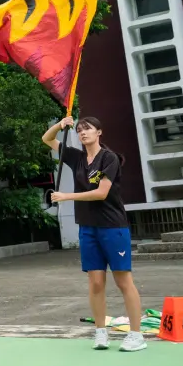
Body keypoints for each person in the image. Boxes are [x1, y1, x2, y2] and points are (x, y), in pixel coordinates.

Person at [44, 115, 145, 352]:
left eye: (88, 129)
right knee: (96, 282)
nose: (82, 132)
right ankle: (101, 332)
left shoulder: (109, 159)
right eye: (79, 129)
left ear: (99, 132)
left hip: (113, 227)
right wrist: (60, 126)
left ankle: (136, 335)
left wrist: (67, 196)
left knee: (123, 281)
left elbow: (101, 193)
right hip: (87, 227)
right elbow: (47, 139)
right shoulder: (76, 157)